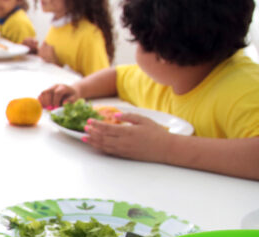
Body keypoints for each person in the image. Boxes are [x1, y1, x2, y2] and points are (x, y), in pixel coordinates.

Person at [38, 0, 259, 181]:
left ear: (161, 56)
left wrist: (166, 148)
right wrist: (78, 89)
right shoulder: (162, 78)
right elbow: (117, 76)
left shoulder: (246, 87)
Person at [24, 0, 114, 76]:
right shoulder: (57, 27)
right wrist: (35, 53)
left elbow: (99, 86)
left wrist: (57, 66)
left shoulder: (89, 35)